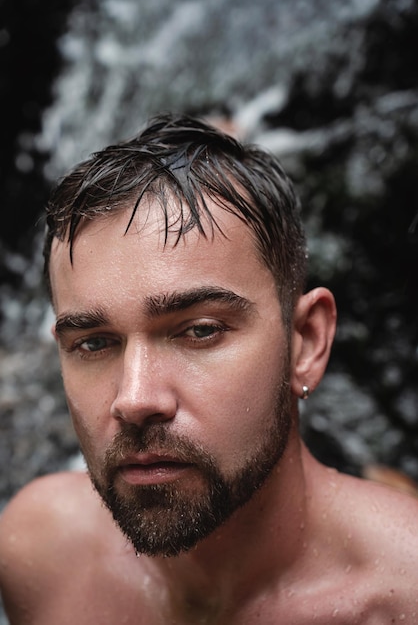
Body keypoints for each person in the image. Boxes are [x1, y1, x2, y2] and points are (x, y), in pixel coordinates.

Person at [0, 113, 417, 625]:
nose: (133, 399)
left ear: (305, 342)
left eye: (199, 331)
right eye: (94, 343)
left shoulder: (401, 598)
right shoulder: (39, 554)